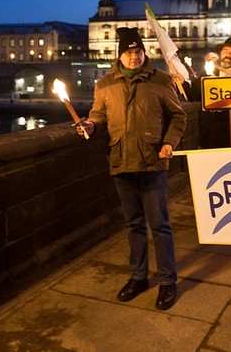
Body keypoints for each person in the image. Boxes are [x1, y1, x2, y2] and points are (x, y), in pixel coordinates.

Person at [77, 27, 187, 311]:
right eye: (129, 52)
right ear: (120, 54)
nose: (134, 57)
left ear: (143, 52)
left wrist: (169, 143)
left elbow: (177, 117)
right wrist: (90, 125)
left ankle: (167, 281)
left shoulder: (161, 80)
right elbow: (98, 117)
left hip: (152, 161)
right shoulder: (104, 84)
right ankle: (138, 277)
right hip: (121, 159)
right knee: (133, 224)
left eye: (138, 51)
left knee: (160, 225)